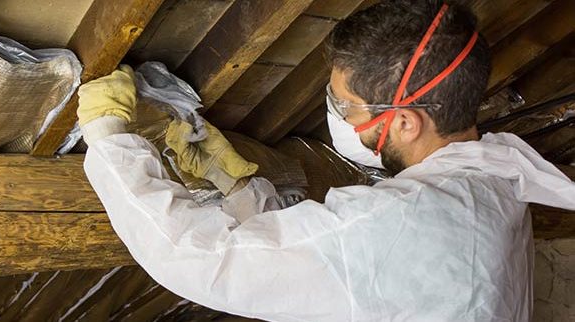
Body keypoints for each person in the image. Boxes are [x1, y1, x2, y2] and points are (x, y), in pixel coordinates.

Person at [77, 1, 575, 321]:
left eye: (346, 105)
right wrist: (236, 187)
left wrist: (107, 136)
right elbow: (326, 259)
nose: (335, 114)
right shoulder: (492, 182)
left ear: (404, 122)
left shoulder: (399, 221)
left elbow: (205, 259)